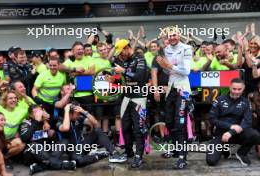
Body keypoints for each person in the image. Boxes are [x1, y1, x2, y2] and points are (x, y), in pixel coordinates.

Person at [155, 26, 193, 169]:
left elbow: (186, 71)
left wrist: (170, 65)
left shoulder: (186, 48)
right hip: (171, 88)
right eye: (170, 36)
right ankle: (176, 149)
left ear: (179, 35)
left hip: (183, 88)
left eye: (175, 35)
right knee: (169, 122)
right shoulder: (167, 49)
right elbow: (167, 70)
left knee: (180, 123)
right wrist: (164, 66)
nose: (172, 37)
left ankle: (183, 157)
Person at [206, 78, 260, 166]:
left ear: (243, 89)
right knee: (211, 161)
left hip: (239, 133)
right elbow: (212, 118)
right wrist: (230, 127)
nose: (236, 92)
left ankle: (242, 153)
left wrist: (232, 132)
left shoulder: (246, 102)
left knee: (255, 135)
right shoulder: (219, 100)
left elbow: (247, 122)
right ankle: (224, 148)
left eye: (239, 89)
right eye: (234, 89)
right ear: (229, 87)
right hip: (221, 134)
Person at [112, 39, 148, 168]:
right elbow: (121, 80)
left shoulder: (140, 59)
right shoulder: (125, 61)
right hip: (126, 97)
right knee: (125, 126)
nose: (120, 55)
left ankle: (139, 156)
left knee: (138, 128)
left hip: (139, 97)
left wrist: (124, 71)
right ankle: (129, 152)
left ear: (127, 48)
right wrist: (112, 79)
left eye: (121, 52)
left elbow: (139, 76)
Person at [56, 103, 126, 166]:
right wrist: (67, 110)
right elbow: (65, 128)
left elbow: (95, 123)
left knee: (97, 130)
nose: (79, 115)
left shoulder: (79, 118)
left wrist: (84, 111)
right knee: (78, 160)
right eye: (77, 114)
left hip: (83, 145)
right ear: (69, 114)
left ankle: (114, 153)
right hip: (73, 151)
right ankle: (99, 155)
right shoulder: (60, 120)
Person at [19, 105, 76, 175]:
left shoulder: (45, 120)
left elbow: (58, 119)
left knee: (64, 142)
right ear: (30, 114)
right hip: (31, 154)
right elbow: (24, 138)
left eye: (40, 111)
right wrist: (36, 121)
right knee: (34, 145)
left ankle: (41, 166)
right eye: (36, 112)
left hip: (46, 151)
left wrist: (49, 120)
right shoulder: (26, 122)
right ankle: (63, 165)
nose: (39, 113)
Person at [32, 58, 66, 122]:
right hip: (43, 102)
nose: (52, 67)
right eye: (50, 65)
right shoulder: (42, 75)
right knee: (46, 121)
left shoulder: (62, 75)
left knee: (56, 120)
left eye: (54, 65)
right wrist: (37, 98)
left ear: (58, 65)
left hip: (55, 102)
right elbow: (34, 89)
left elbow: (63, 88)